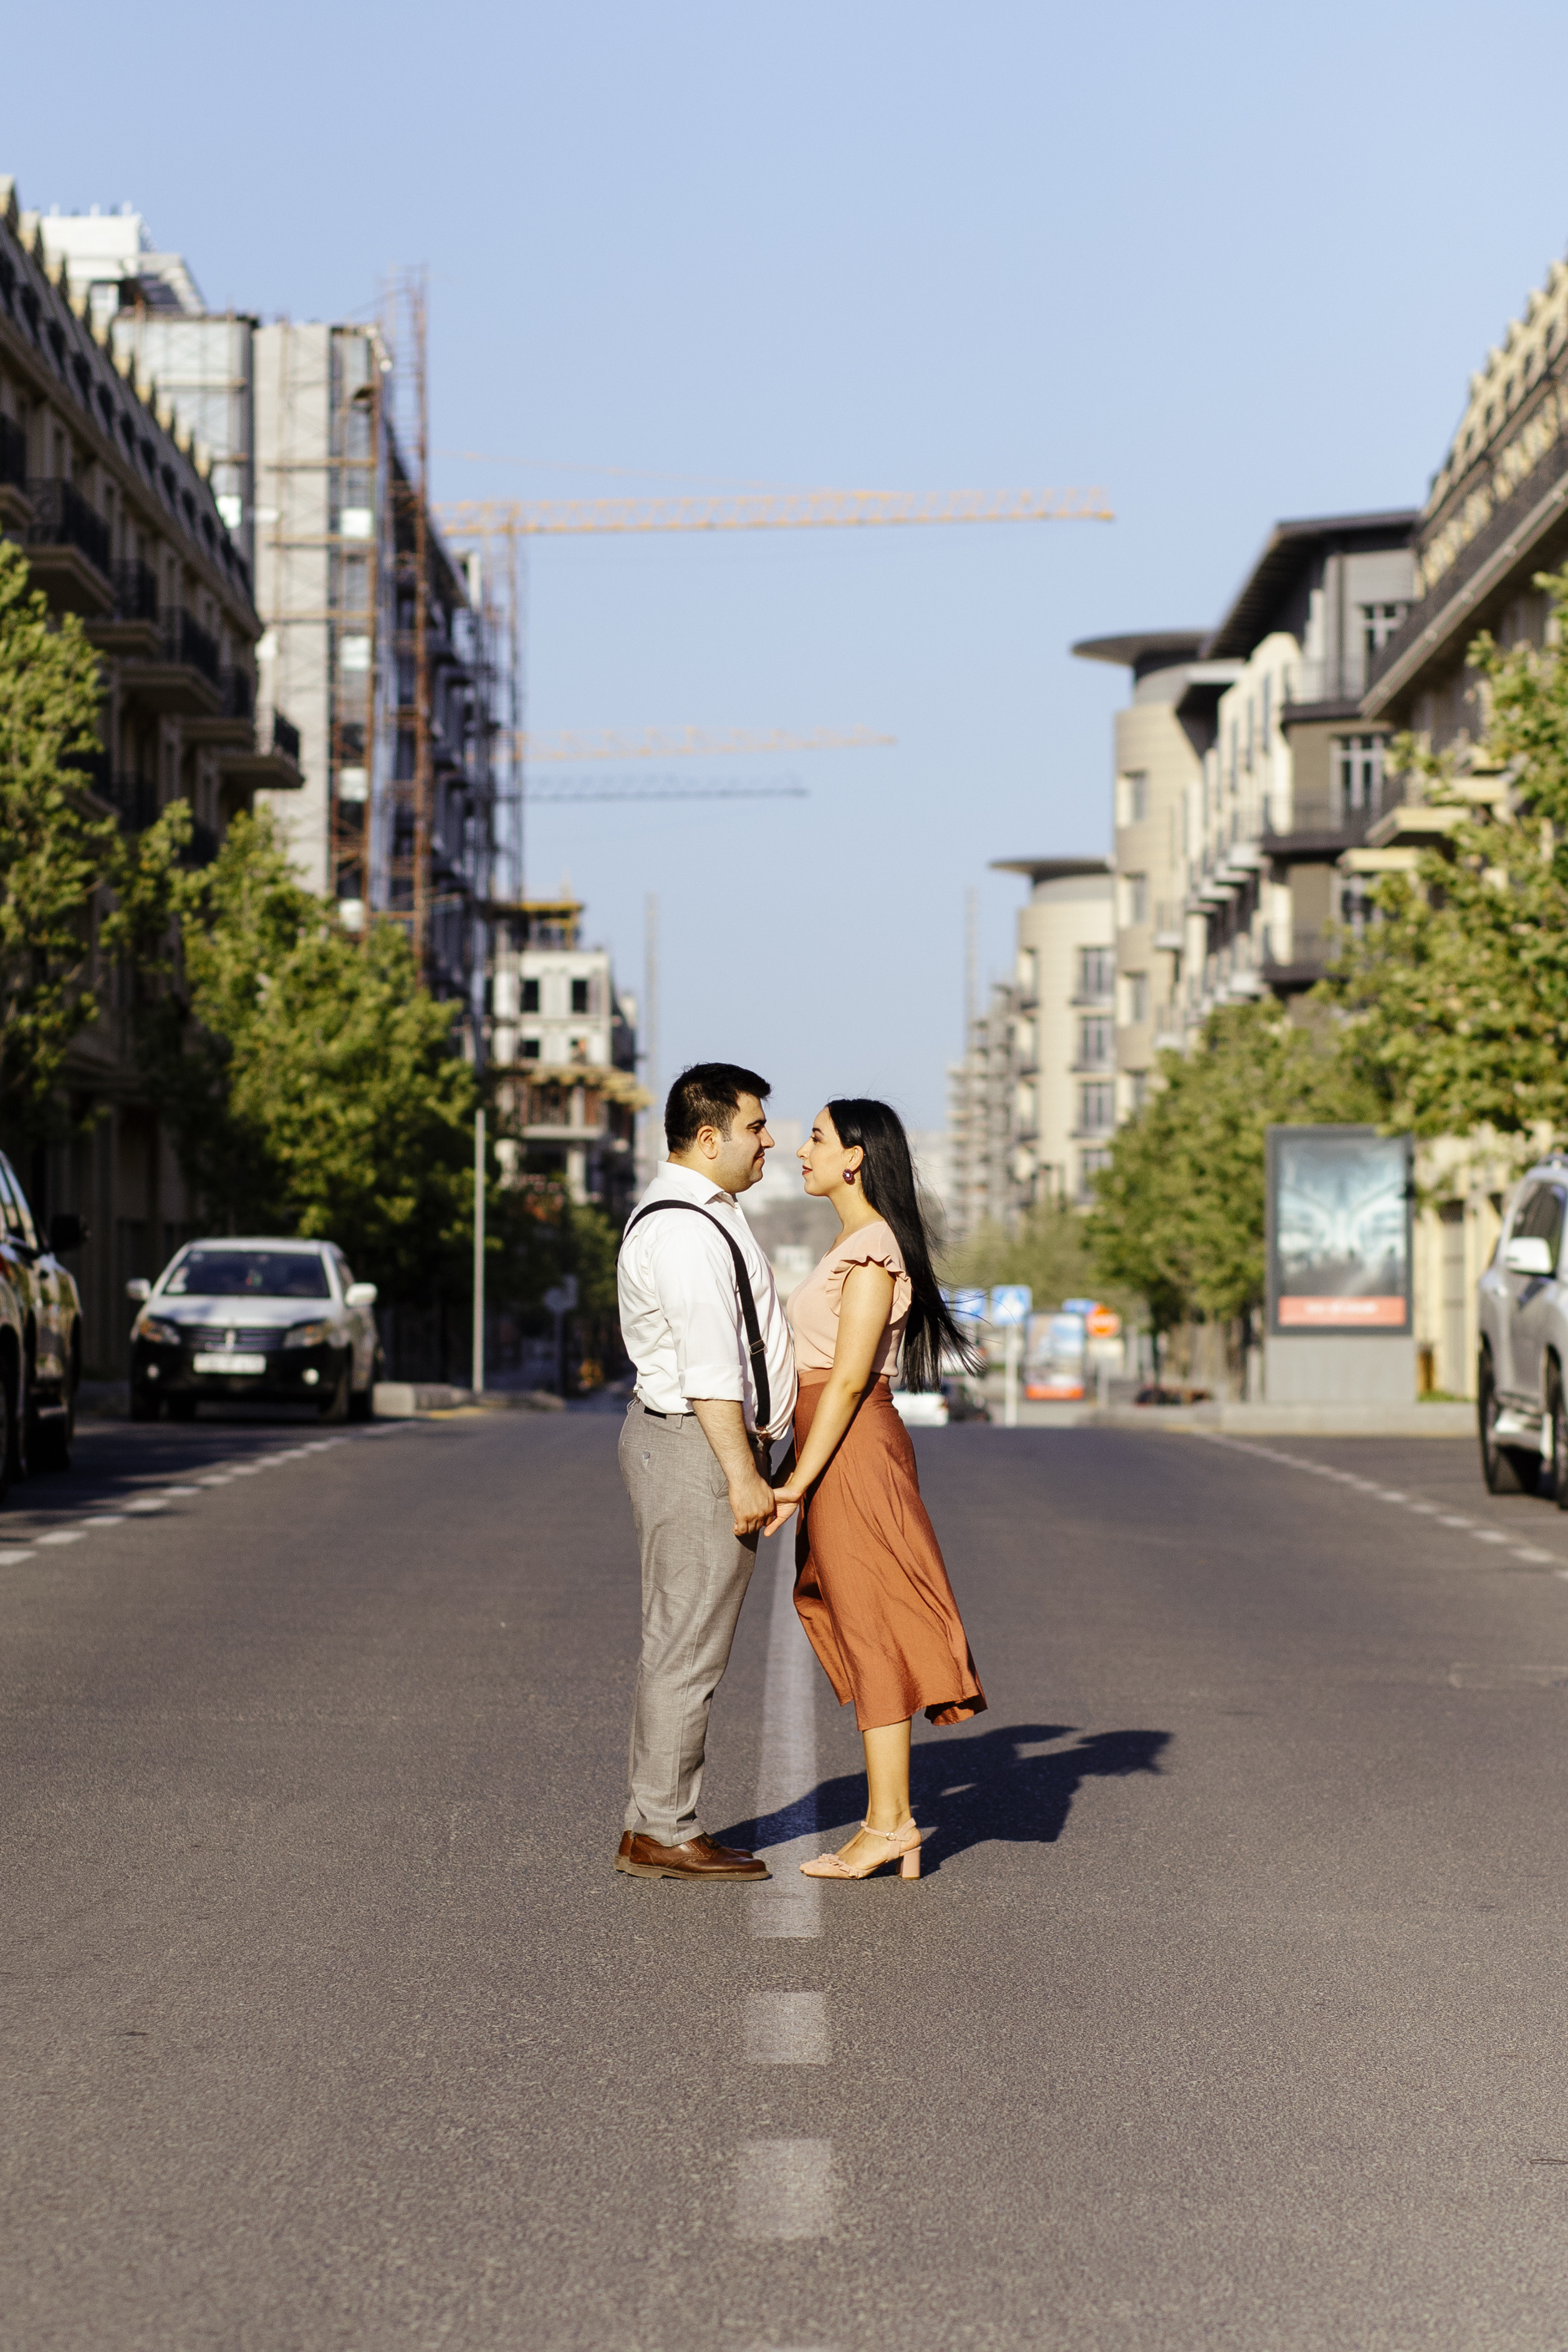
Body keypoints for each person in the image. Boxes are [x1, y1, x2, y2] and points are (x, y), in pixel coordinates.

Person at [766, 1098, 985, 1882]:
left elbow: (851, 1377)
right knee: (867, 1627)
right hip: (840, 1438)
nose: (801, 1148)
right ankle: (887, 1821)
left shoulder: (871, 1249)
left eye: (817, 1137)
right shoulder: (854, 1242)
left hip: (851, 1445)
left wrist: (796, 1479)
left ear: (854, 1157)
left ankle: (888, 1823)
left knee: (873, 1629)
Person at [613, 1062, 798, 1881]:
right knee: (687, 1644)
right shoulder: (685, 1230)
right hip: (696, 1442)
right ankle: (660, 1828)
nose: (769, 1142)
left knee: (683, 1639)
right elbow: (710, 1369)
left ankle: (656, 1821)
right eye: (756, 1127)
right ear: (709, 1136)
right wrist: (743, 1475)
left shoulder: (702, 1215)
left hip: (696, 1440)